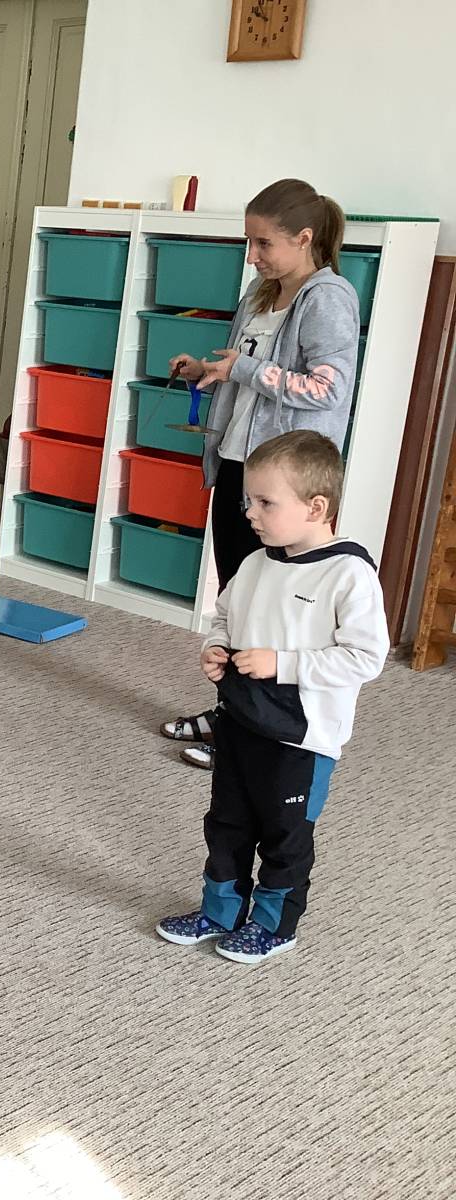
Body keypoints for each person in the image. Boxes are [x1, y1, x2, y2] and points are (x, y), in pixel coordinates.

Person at [155, 431, 387, 963]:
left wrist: (282, 663)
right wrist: (216, 648)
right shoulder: (257, 563)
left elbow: (365, 658)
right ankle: (220, 912)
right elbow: (225, 615)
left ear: (316, 507)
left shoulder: (349, 575)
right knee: (226, 825)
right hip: (240, 724)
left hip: (300, 741)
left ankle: (274, 925)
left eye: (265, 502)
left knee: (284, 837)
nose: (250, 513)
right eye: (248, 500)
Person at [161, 179, 361, 772]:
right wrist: (209, 369)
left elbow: (327, 389)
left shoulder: (328, 298)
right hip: (239, 463)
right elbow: (245, 366)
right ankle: (233, 713)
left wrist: (245, 369)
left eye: (263, 243)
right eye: (249, 242)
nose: (252, 255)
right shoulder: (260, 291)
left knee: (274, 609)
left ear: (304, 238)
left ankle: (253, 728)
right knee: (239, 596)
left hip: (286, 479)